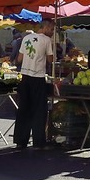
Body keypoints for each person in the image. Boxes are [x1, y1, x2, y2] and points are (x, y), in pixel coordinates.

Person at [13, 20, 54, 149]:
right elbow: (50, 59)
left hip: (25, 76)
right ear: (46, 27)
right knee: (39, 110)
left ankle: (21, 140)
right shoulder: (46, 40)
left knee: (24, 108)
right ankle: (38, 142)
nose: (52, 32)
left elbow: (19, 58)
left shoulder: (26, 38)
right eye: (51, 29)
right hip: (38, 77)